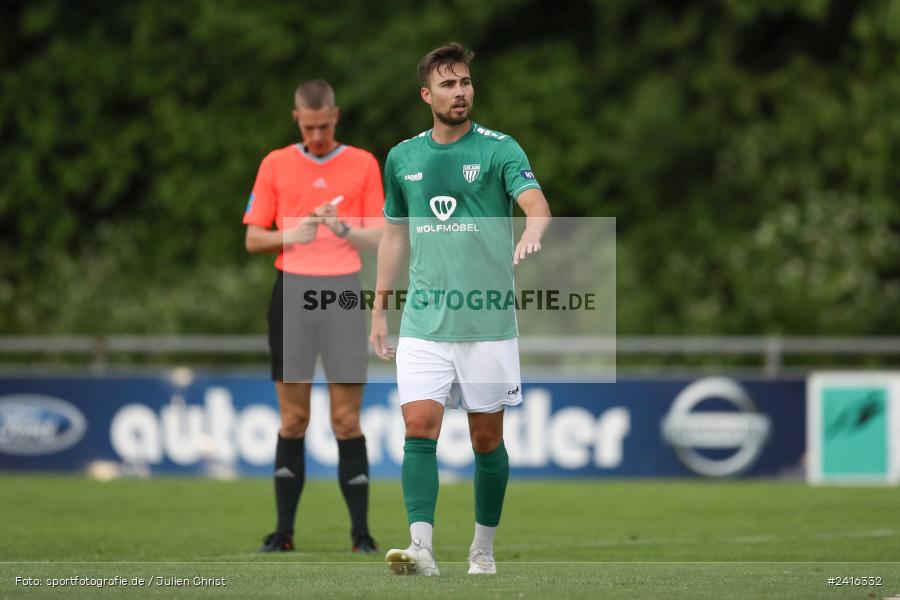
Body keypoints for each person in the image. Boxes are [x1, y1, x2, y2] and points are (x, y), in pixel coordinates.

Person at [370, 43, 552, 576]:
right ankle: (421, 547)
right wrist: (380, 309)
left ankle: (482, 550)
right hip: (425, 320)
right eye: (448, 85)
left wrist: (533, 232)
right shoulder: (403, 158)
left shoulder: (500, 149)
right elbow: (394, 238)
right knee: (418, 427)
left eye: (466, 83)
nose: (461, 93)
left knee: (485, 439)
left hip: (487, 320)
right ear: (427, 95)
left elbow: (535, 203)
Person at [243, 79, 383, 554]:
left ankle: (361, 535)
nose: (318, 135)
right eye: (310, 126)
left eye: (324, 125)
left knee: (346, 421)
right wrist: (293, 235)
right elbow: (253, 239)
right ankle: (283, 533)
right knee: (293, 419)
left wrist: (343, 228)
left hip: (343, 292)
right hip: (293, 292)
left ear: (336, 116)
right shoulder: (276, 163)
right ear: (296, 119)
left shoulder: (363, 163)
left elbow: (383, 236)